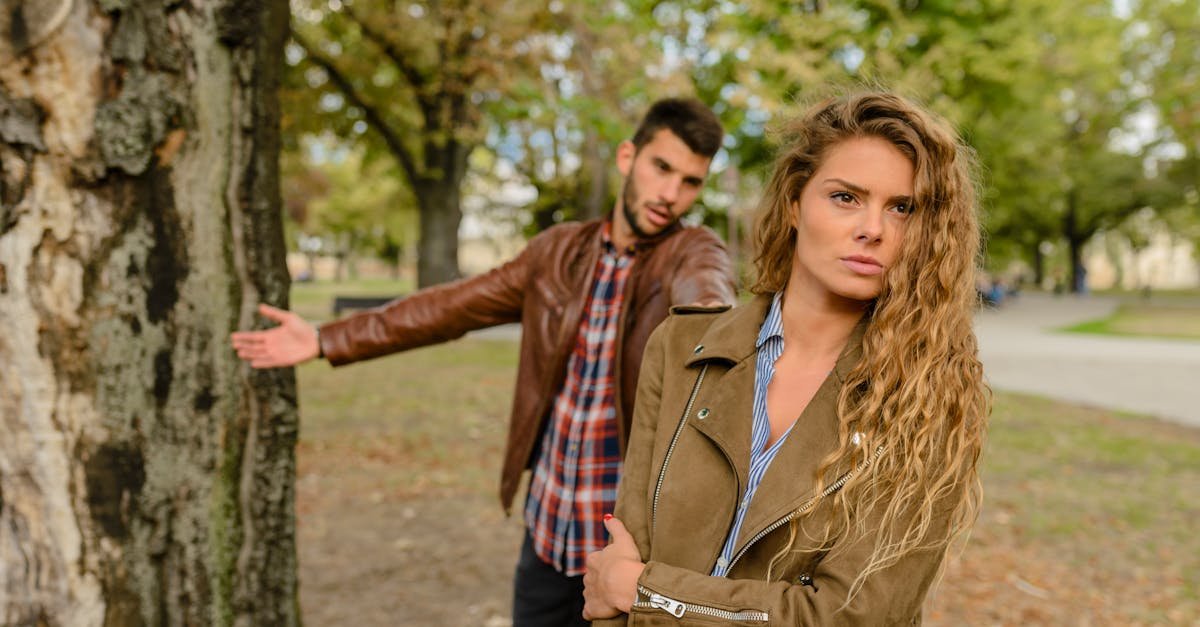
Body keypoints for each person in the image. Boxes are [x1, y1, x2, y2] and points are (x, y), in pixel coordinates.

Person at [230, 97, 737, 626]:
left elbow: (709, 305)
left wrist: (713, 330)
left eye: (690, 182)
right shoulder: (556, 253)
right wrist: (326, 338)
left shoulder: (692, 251)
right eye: (662, 168)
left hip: (623, 553)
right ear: (628, 157)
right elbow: (450, 307)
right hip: (546, 532)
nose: (670, 195)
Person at [582, 91, 989, 625]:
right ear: (795, 204)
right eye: (845, 197)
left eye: (902, 207)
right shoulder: (681, 347)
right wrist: (625, 590)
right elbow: (622, 554)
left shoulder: (932, 398)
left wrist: (647, 590)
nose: (873, 229)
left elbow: (852, 617)